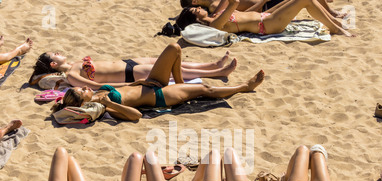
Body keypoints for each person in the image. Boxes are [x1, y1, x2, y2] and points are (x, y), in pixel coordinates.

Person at [51, 42, 264, 121]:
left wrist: (136, 84)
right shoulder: (103, 108)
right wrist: (111, 104)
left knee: (174, 49)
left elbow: (123, 89)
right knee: (204, 88)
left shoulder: (99, 94)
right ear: (84, 102)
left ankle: (181, 83)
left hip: (149, 84)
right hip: (159, 97)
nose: (86, 87)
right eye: (83, 91)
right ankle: (244, 87)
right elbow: (136, 116)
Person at [29, 45, 237, 90]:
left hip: (128, 62)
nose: (58, 51)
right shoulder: (72, 73)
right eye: (54, 55)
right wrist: (132, 84)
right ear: (53, 64)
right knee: (176, 70)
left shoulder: (75, 63)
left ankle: (212, 64)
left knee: (168, 59)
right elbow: (99, 86)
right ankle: (218, 72)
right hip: (129, 73)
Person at [176, 0, 355, 37]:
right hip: (268, 24)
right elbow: (233, 3)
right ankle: (336, 28)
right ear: (195, 19)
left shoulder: (215, 17)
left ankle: (335, 23)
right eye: (196, 10)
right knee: (304, 0)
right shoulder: (215, 24)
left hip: (265, 16)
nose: (199, 9)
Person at [180, 0, 344, 18]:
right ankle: (331, 13)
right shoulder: (216, 6)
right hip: (267, 6)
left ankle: (328, 8)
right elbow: (248, 14)